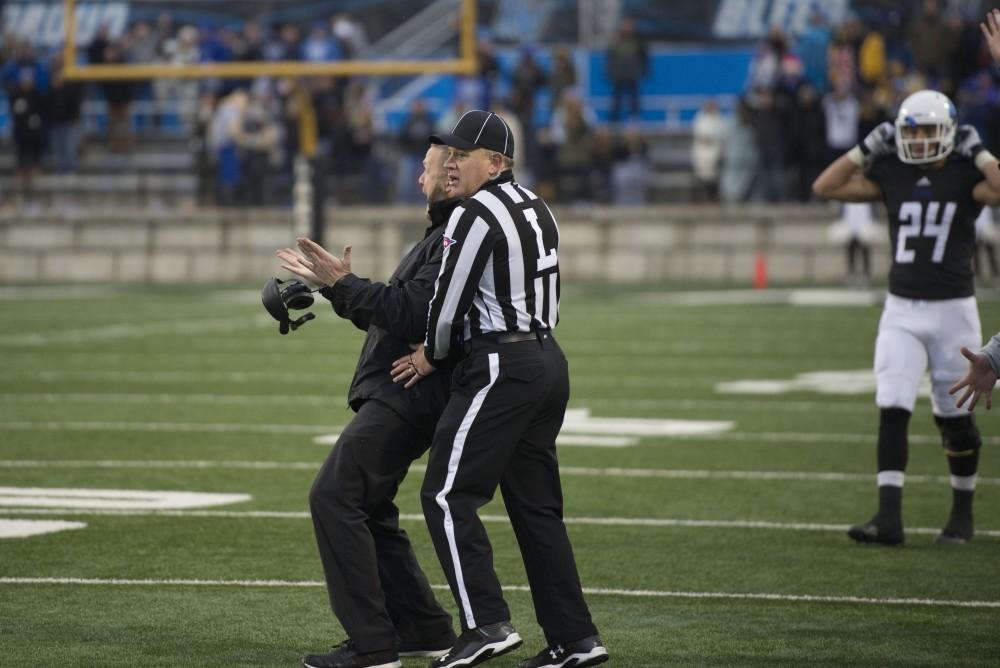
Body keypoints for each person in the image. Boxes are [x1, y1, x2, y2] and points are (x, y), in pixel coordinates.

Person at [390, 110, 608, 668]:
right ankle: (575, 639)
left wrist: (431, 355)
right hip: (547, 359)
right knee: (537, 510)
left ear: (498, 162)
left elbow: (447, 306)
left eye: (465, 155)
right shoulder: (537, 205)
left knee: (444, 495)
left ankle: (485, 623)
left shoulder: (475, 215)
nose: (454, 164)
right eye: (452, 154)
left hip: (501, 363)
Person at [277, 143, 463, 668]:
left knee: (334, 496)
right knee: (370, 507)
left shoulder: (455, 235)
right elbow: (395, 315)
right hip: (402, 388)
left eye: (426, 168)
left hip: (408, 391)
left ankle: (373, 645)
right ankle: (423, 627)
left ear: (451, 174)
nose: (419, 177)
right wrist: (337, 289)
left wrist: (344, 284)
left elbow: (412, 315)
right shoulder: (441, 232)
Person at [812, 90, 1000, 546]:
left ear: (951, 133)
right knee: (892, 404)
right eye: (910, 130)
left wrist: (978, 152)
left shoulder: (963, 169)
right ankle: (888, 518)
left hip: (954, 310)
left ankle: (961, 516)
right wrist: (867, 145)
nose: (917, 139)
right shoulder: (892, 168)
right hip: (901, 308)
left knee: (954, 416)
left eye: (928, 130)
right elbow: (826, 186)